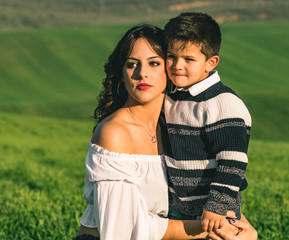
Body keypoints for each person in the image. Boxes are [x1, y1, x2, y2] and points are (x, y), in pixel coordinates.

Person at [73, 24, 256, 240]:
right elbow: (126, 228)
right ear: (122, 74)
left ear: (170, 68)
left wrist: (240, 228)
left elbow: (204, 184)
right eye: (132, 64)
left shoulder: (178, 127)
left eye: (154, 63)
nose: (142, 74)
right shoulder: (114, 133)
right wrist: (212, 228)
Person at [163, 12, 252, 233]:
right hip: (177, 207)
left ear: (210, 63)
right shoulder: (172, 96)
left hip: (215, 211)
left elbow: (233, 160)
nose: (177, 65)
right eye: (171, 56)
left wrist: (217, 206)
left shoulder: (222, 102)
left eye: (188, 59)